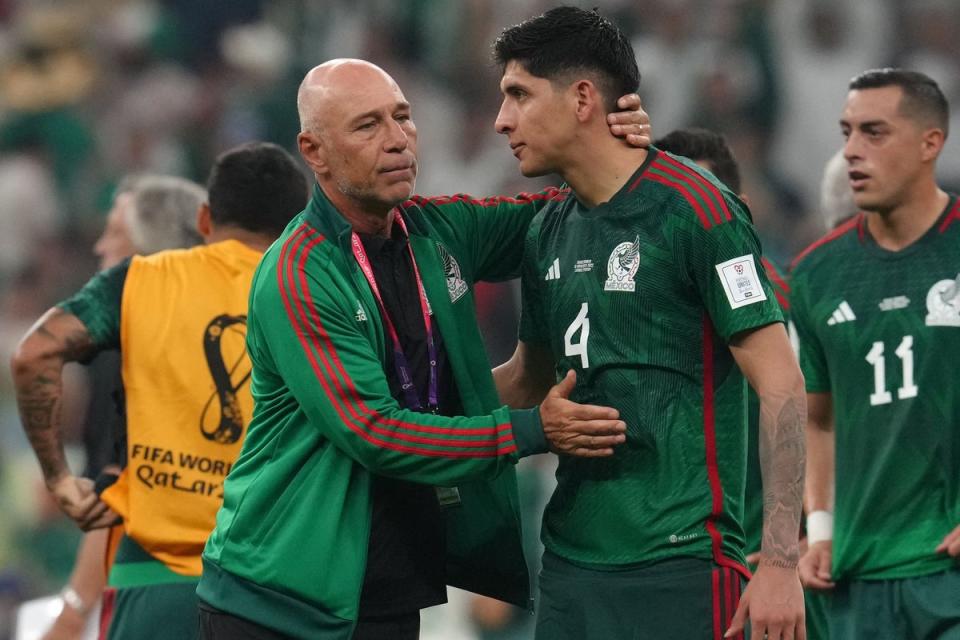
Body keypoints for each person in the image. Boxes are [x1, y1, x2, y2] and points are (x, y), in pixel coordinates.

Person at [195, 59, 649, 640]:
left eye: (402, 117)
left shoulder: (437, 231)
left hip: (387, 594)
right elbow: (374, 432)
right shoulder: (299, 273)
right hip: (275, 603)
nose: (396, 139)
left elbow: (561, 216)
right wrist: (530, 431)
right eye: (367, 126)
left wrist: (611, 147)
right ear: (314, 151)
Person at [491, 8, 805, 640]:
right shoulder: (546, 228)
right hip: (570, 568)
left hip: (681, 563)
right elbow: (528, 379)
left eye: (519, 94)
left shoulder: (698, 210)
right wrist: (406, 417)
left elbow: (781, 384)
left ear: (582, 98)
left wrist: (778, 560)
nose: (503, 120)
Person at [11, 142, 310, 640]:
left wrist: (59, 477)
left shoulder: (139, 283)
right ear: (295, 229)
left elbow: (32, 354)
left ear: (207, 219)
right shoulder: (313, 292)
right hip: (274, 585)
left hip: (152, 584)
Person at [793, 68, 960, 639]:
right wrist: (819, 529)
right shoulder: (816, 274)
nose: (852, 151)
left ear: (929, 143)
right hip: (857, 576)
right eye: (847, 133)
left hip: (949, 567)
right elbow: (819, 419)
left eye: (874, 133)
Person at [656, 127, 831, 640]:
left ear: (741, 213)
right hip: (665, 570)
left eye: (701, 203)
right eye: (667, 208)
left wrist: (808, 536)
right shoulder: (641, 316)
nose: (686, 223)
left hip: (761, 579)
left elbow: (841, 423)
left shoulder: (790, 310)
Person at [41, 174, 205, 640]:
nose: (99, 247)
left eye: (115, 233)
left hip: (149, 587)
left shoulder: (136, 345)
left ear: (147, 254)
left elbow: (119, 484)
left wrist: (74, 609)